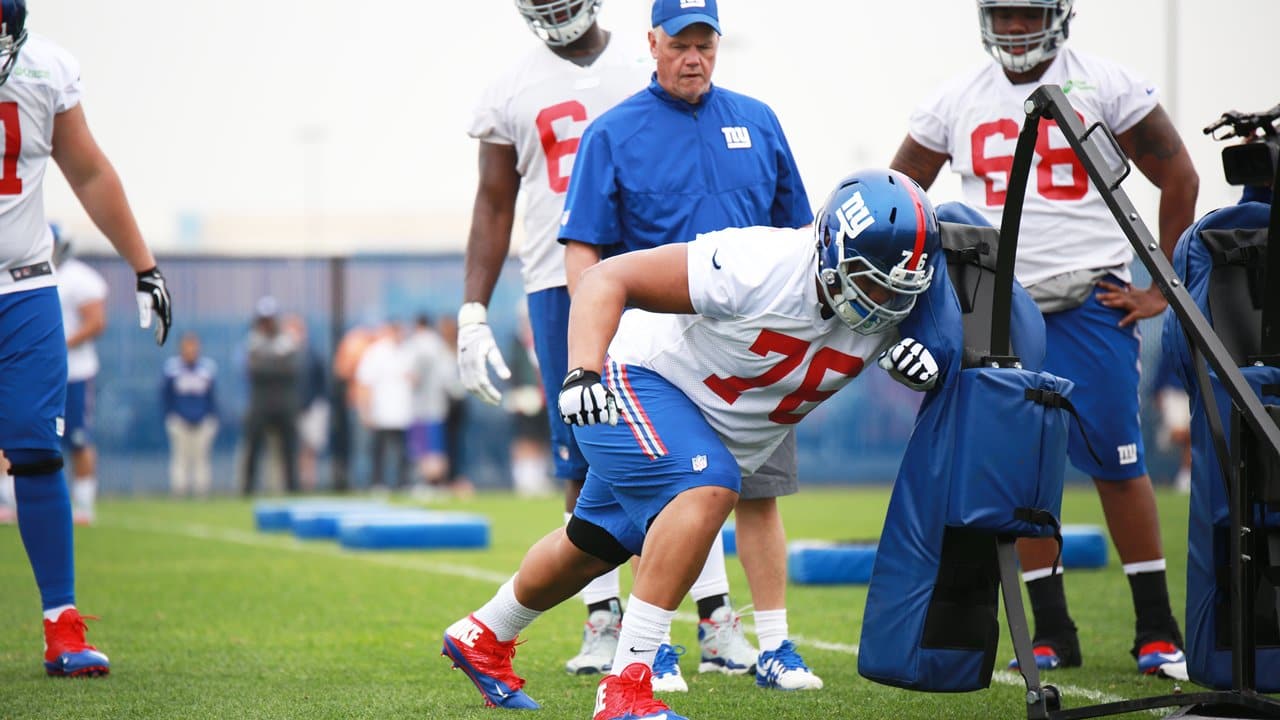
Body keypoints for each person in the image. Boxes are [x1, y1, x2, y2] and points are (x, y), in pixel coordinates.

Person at [443, 170, 944, 718]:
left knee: (592, 544)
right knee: (712, 485)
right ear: (826, 250)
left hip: (698, 427)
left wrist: (932, 344)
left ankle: (483, 634)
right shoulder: (758, 264)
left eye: (897, 288)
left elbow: (974, 277)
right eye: (867, 281)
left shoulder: (910, 297)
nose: (881, 301)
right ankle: (628, 687)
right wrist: (582, 371)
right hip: (634, 379)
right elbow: (606, 279)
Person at [889, 0, 1199, 677]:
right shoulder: (956, 98)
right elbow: (898, 196)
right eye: (1003, 14)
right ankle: (1052, 630)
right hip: (999, 302)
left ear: (1058, 15)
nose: (1015, 29)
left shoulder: (1108, 83)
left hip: (1092, 295)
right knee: (1019, 470)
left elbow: (1179, 176)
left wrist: (1163, 286)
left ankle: (1157, 628)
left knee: (1118, 459)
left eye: (1028, 14)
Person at [557, 0, 816, 689]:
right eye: (680, 44)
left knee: (761, 495)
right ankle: (656, 647)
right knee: (667, 496)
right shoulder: (610, 133)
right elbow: (584, 257)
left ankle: (776, 647)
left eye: (705, 43)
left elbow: (801, 238)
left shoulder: (758, 121)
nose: (693, 56)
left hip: (756, 349)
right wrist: (598, 345)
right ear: (652, 43)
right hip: (661, 356)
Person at [456, 0, 648, 675]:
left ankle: (699, 619)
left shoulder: (644, 60)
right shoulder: (510, 87)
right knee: (582, 456)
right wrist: (472, 309)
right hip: (554, 283)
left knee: (674, 444)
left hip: (649, 276)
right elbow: (493, 201)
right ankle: (603, 617)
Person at [0, 0, 173, 678]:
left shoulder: (43, 70)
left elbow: (89, 171)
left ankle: (62, 625)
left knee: (37, 449)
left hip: (24, 286)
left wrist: (144, 264)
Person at [51, 226, 106, 524]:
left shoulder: (79, 278)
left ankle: (84, 504)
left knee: (78, 438)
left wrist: (58, 344)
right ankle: (10, 498)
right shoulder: (21, 273)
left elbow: (96, 321)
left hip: (74, 372)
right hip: (34, 371)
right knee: (22, 437)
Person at [241, 296, 302, 495]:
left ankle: (293, 488)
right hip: (260, 403)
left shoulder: (286, 341)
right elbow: (255, 370)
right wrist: (275, 363)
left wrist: (268, 364)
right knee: (253, 448)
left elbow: (290, 369)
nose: (267, 324)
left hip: (284, 403)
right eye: (264, 320)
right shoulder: (253, 342)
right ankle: (247, 489)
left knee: (289, 451)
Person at [355, 320, 415, 492]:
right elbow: (365, 382)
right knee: (378, 450)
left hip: (403, 412)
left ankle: (403, 483)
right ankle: (377, 483)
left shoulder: (407, 352)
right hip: (381, 410)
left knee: (403, 451)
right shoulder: (376, 352)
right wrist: (365, 410)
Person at [162, 331, 219, 498]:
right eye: (187, 346)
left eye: (193, 346)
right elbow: (165, 396)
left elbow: (212, 397)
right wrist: (171, 416)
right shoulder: (172, 369)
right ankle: (179, 491)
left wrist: (211, 418)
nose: (191, 350)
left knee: (202, 460)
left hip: (202, 421)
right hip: (179, 420)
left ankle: (202, 492)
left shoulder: (207, 369)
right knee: (180, 459)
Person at [283, 314, 328, 492]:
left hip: (310, 410)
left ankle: (308, 483)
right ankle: (291, 483)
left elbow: (321, 384)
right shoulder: (284, 356)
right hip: (289, 410)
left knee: (310, 449)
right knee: (292, 448)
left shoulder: (313, 356)